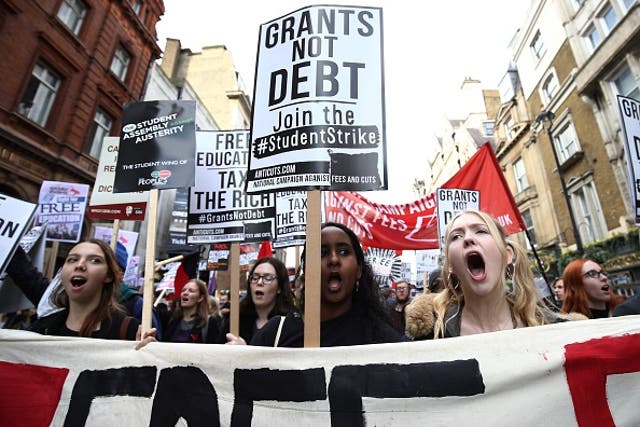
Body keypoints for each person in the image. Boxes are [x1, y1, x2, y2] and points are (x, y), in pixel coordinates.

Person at [241, 222, 404, 347]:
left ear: (359, 270)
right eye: (322, 253)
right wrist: (238, 358)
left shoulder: (382, 340)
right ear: (307, 270)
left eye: (343, 252)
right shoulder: (275, 334)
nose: (333, 260)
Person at [405, 210, 560, 339]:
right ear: (451, 265)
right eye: (456, 236)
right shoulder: (432, 336)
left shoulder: (554, 330)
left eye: (481, 231)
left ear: (506, 255)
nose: (468, 238)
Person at [6, 239, 149, 341]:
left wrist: (148, 354)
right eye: (72, 259)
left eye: (94, 261)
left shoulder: (128, 331)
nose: (80, 265)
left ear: (109, 275)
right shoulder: (43, 329)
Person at [220, 257, 295, 344]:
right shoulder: (235, 320)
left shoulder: (290, 323)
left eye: (268, 278)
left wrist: (245, 351)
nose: (259, 282)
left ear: (279, 287)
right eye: (255, 277)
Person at [162, 279, 221, 343]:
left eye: (191, 291)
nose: (185, 293)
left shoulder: (210, 322)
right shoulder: (171, 320)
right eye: (183, 290)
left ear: (200, 298)